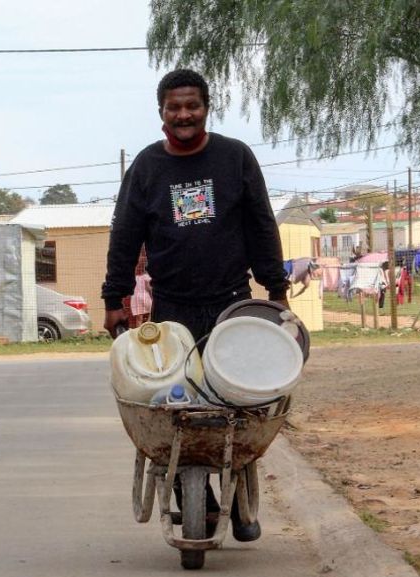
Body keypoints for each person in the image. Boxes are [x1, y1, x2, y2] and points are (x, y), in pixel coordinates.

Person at [101, 69, 290, 542]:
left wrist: (277, 290)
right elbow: (124, 237)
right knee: (178, 410)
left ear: (207, 107)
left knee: (241, 405)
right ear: (161, 112)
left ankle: (240, 495)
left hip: (232, 302)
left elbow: (262, 226)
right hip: (172, 311)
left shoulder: (235, 158)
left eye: (192, 106)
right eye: (173, 107)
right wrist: (113, 299)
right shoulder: (146, 168)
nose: (183, 115)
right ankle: (199, 497)